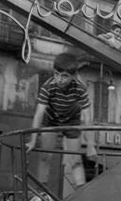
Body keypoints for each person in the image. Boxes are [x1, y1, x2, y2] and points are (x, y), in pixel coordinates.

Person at [26, 53, 96, 190]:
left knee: (75, 160)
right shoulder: (48, 87)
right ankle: (43, 194)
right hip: (51, 120)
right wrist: (33, 140)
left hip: (72, 121)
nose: (59, 79)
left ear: (74, 76)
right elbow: (39, 114)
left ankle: (81, 194)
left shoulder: (80, 88)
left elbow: (88, 117)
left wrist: (90, 145)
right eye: (57, 74)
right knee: (45, 157)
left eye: (64, 76)